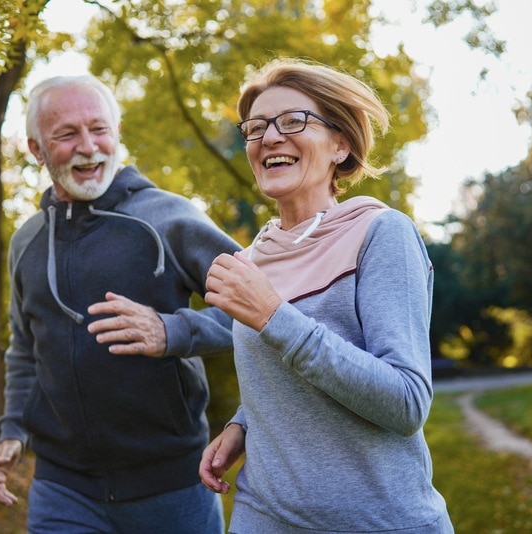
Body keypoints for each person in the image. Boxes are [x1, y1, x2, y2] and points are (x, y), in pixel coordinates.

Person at [199, 58, 454, 533]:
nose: (269, 138)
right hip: (264, 517)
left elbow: (406, 402)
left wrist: (275, 316)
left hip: (378, 521)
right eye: (255, 128)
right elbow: (283, 375)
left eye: (293, 121)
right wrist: (244, 424)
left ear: (341, 144)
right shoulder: (253, 257)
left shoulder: (381, 234)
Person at [0, 74, 239, 534]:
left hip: (172, 486)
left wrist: (174, 331)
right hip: (63, 489)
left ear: (116, 134)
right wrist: (13, 429)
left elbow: (262, 310)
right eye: (67, 134)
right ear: (36, 150)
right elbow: (24, 349)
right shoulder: (27, 242)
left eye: (99, 129)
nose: (88, 146)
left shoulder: (169, 217)